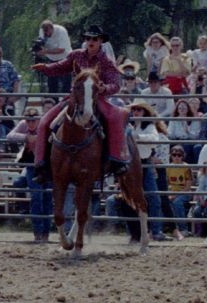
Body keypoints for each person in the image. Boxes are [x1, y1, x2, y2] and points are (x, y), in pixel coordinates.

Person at [30, 25, 130, 177]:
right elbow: (60, 67)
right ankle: (41, 165)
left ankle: (116, 160)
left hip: (97, 98)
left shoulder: (107, 61)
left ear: (100, 41)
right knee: (44, 121)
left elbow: (116, 84)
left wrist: (104, 89)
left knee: (115, 117)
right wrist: (45, 67)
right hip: (75, 97)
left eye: (94, 39)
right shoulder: (75, 55)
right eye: (88, 38)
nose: (91, 41)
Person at [5, 106, 52, 242]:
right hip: (33, 166)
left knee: (47, 198)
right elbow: (10, 136)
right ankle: (38, 232)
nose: (31, 123)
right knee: (37, 197)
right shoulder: (24, 125)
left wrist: (37, 138)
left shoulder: (45, 125)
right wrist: (27, 137)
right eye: (28, 120)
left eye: (33, 120)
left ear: (38, 119)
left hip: (47, 165)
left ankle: (45, 232)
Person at [128, 100, 170, 241]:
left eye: (139, 110)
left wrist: (137, 137)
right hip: (131, 165)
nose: (136, 112)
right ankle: (136, 233)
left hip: (144, 164)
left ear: (144, 112)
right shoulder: (129, 125)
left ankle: (156, 230)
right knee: (130, 199)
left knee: (153, 198)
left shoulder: (149, 126)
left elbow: (154, 139)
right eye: (134, 110)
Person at [36, 19, 73, 95]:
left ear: (52, 28)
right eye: (44, 32)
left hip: (65, 58)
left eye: (47, 32)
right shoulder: (42, 31)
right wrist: (38, 50)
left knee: (65, 85)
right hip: (52, 59)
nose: (46, 34)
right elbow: (41, 43)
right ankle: (53, 102)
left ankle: (65, 103)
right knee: (52, 85)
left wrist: (46, 51)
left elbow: (61, 49)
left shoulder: (61, 31)